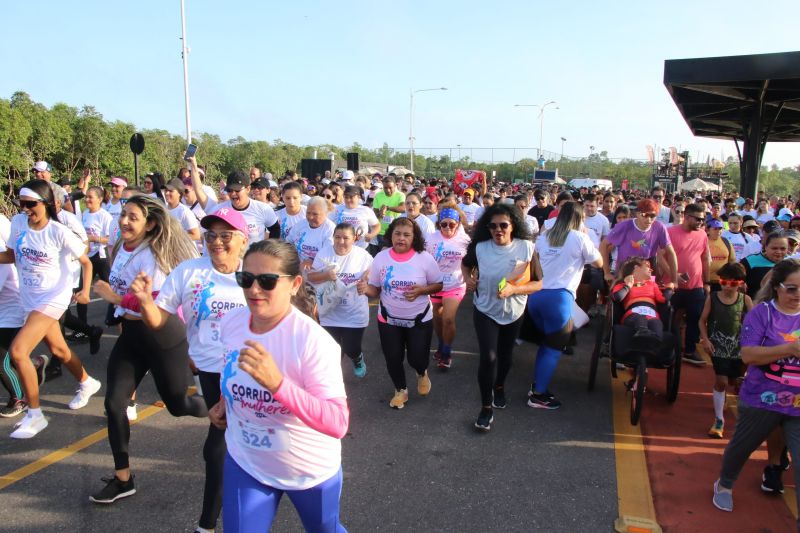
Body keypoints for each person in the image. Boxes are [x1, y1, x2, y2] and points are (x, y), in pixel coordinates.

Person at [208, 240, 349, 532]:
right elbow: (232, 372)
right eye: (245, 279)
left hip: (309, 471)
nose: (254, 289)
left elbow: (337, 422)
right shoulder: (232, 323)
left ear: (294, 284)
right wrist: (225, 404)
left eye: (267, 281)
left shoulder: (311, 341)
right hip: (248, 463)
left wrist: (278, 384)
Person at [130, 207, 249, 533]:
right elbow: (159, 321)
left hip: (250, 369)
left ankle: (222, 515)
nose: (217, 243)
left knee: (226, 440)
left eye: (226, 236)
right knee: (221, 437)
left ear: (243, 239)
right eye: (211, 235)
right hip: (211, 370)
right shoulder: (188, 272)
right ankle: (209, 523)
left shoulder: (254, 274)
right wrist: (144, 301)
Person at [89, 195, 208, 503]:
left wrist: (115, 300)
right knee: (114, 404)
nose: (124, 221)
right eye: (123, 215)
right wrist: (118, 312)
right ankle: (123, 478)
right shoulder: (121, 247)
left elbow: (154, 301)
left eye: (133, 217)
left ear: (151, 223)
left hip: (161, 334)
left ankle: (220, 408)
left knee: (179, 405)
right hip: (131, 336)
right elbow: (122, 289)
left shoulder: (152, 255)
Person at [0, 180, 98, 438]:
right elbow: (10, 255)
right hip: (29, 297)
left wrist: (85, 291)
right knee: (58, 349)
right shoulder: (19, 224)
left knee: (19, 351)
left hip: (54, 296)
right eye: (21, 204)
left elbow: (86, 263)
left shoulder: (58, 231)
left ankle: (35, 415)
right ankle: (87, 382)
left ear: (45, 203)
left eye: (30, 204)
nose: (25, 209)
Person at [712, 259, 800, 516]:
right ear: (776, 288)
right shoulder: (762, 313)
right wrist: (789, 349)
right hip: (762, 399)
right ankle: (725, 485)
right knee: (742, 447)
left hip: (797, 406)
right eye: (791, 288)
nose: (797, 295)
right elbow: (748, 355)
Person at [462, 204, 540, 431]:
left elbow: (538, 283)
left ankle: (499, 386)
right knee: (489, 356)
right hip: (485, 309)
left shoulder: (527, 247)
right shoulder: (480, 248)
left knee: (505, 357)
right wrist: (468, 279)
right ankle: (486, 408)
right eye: (493, 226)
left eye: (503, 225)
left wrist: (514, 291)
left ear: (513, 225)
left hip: (514, 312)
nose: (498, 230)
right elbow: (465, 265)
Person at [526, 202, 602, 411]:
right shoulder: (579, 237)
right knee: (553, 348)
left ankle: (537, 387)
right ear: (579, 219)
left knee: (546, 344)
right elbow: (599, 263)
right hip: (559, 299)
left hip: (537, 295)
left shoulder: (544, 237)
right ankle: (539, 395)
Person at [364, 217, 443, 409]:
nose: (401, 238)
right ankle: (401, 390)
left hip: (419, 319)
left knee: (417, 358)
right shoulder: (381, 258)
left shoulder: (424, 258)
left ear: (414, 237)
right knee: (393, 357)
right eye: (397, 234)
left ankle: (421, 372)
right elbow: (374, 289)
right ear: (390, 235)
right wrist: (365, 289)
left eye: (406, 235)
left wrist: (421, 291)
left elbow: (439, 284)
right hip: (388, 318)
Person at [308, 223, 373, 377]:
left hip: (354, 311)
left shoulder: (362, 256)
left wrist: (367, 277)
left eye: (346, 238)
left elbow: (375, 271)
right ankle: (333, 383)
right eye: (337, 237)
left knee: (351, 348)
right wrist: (326, 275)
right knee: (333, 350)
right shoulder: (324, 253)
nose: (341, 241)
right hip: (329, 311)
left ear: (354, 239)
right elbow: (311, 277)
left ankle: (357, 358)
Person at [699, 262, 752, 439]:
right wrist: (705, 339)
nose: (728, 287)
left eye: (734, 283)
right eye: (724, 282)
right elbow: (702, 321)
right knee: (721, 381)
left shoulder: (745, 300)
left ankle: (731, 404)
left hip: (739, 348)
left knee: (735, 381)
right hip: (718, 345)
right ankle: (719, 420)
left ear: (741, 284)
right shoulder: (713, 298)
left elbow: (754, 324)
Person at [189, 158, 280, 246]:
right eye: (229, 190)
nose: (233, 194)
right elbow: (198, 190)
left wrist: (268, 250)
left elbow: (275, 229)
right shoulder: (220, 211)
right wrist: (193, 165)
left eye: (237, 190)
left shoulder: (263, 209)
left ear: (248, 189)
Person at [426, 203, 471, 370]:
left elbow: (471, 261)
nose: (447, 227)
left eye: (451, 224)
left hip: (455, 285)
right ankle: (441, 343)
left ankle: (446, 351)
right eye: (443, 224)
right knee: (437, 319)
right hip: (435, 285)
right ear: (439, 224)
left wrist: (472, 276)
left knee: (448, 319)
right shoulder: (431, 238)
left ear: (457, 224)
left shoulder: (465, 240)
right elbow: (425, 261)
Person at [601, 199, 677, 290]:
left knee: (651, 299)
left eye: (652, 216)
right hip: (625, 271)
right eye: (644, 215)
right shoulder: (624, 226)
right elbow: (603, 245)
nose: (648, 219)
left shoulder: (659, 227)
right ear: (637, 214)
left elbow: (671, 252)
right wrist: (607, 273)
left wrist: (674, 280)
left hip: (648, 271)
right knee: (620, 299)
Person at [610, 257, 667, 342]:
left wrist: (669, 289)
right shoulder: (622, 285)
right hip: (633, 314)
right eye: (647, 266)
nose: (651, 269)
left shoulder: (652, 284)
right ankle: (643, 333)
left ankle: (655, 343)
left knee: (657, 323)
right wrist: (628, 285)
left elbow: (662, 300)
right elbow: (617, 298)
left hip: (652, 315)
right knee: (640, 319)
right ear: (636, 268)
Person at [286, 197, 335, 273]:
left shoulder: (330, 229)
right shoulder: (300, 225)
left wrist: (312, 261)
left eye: (315, 214)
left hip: (319, 272)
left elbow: (328, 255)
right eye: (308, 213)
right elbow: (288, 242)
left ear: (325, 214)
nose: (310, 217)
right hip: (298, 267)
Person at [741, 231, 789, 299]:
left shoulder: (789, 265)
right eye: (774, 248)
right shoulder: (749, 261)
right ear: (765, 247)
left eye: (783, 248)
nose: (778, 252)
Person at [371, 176, 405, 254]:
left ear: (395, 186)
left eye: (390, 187)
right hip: (382, 232)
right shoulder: (378, 195)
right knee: (383, 255)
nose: (388, 190)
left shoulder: (400, 195)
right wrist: (380, 213)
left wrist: (388, 208)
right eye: (385, 188)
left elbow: (403, 208)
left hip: (395, 231)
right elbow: (374, 214)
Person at [707, 219, 736, 292]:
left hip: (723, 283)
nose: (718, 231)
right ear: (708, 230)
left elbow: (732, 261)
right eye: (715, 229)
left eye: (720, 228)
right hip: (705, 281)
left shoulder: (726, 242)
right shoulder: (702, 241)